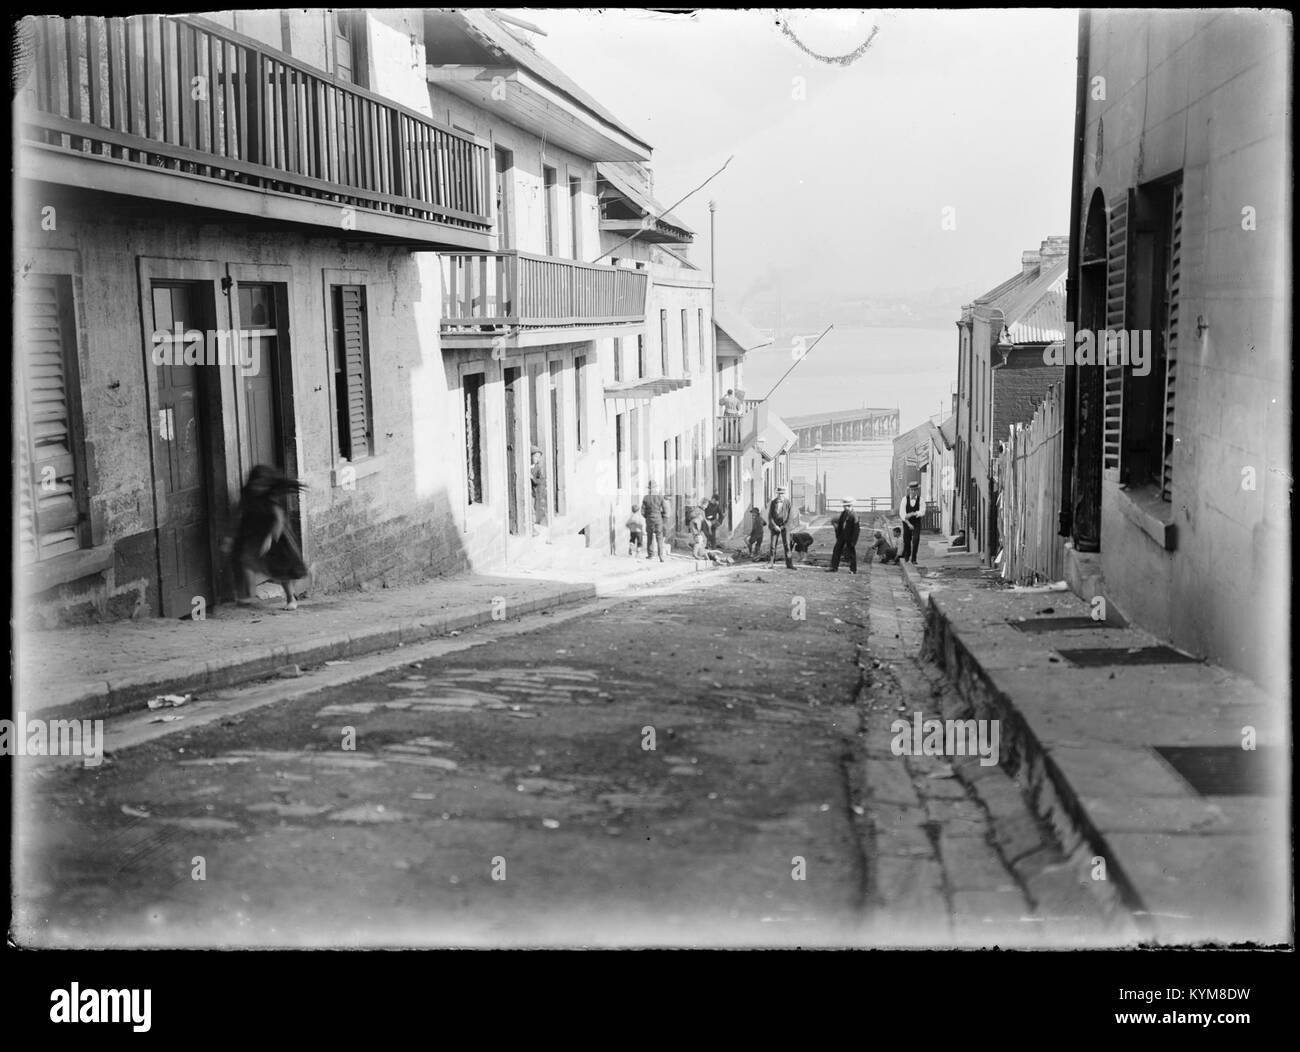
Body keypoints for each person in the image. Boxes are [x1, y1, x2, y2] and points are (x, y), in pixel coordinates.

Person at [230, 464, 309, 611]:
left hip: (276, 534)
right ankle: (248, 597)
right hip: (254, 530)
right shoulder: (247, 493)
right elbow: (241, 511)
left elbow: (279, 520)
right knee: (246, 561)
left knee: (282, 569)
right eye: (255, 484)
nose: (257, 488)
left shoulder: (271, 498)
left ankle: (291, 598)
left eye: (261, 485)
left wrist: (269, 540)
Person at [828, 497, 861, 573]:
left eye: (847, 506)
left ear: (851, 506)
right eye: (845, 506)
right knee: (836, 550)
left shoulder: (854, 515)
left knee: (851, 553)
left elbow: (856, 530)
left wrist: (854, 541)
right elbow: (840, 525)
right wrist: (838, 535)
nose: (846, 507)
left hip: (850, 537)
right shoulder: (843, 513)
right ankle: (834, 567)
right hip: (842, 535)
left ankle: (853, 570)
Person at [641, 480, 670, 562]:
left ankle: (650, 555)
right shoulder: (660, 497)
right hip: (658, 519)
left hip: (649, 519)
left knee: (650, 537)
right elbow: (666, 510)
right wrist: (663, 518)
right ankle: (661, 556)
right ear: (655, 488)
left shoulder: (646, 497)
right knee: (659, 538)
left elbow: (642, 511)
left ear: (649, 488)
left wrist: (647, 517)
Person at [767, 485, 794, 569]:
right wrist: (774, 526)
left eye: (782, 494)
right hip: (775, 527)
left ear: (784, 494)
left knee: (787, 545)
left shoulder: (788, 502)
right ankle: (771, 563)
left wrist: (783, 526)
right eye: (778, 494)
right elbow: (770, 516)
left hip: (785, 527)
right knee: (772, 545)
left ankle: (789, 564)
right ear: (776, 494)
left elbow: (790, 516)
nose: (780, 495)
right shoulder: (773, 502)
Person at [899, 480, 924, 563]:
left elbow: (922, 512)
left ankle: (914, 558)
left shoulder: (921, 500)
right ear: (909, 490)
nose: (913, 492)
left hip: (916, 522)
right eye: (912, 490)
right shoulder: (904, 500)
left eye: (915, 490)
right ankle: (907, 555)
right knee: (907, 540)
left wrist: (913, 513)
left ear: (917, 490)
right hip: (906, 522)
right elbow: (902, 514)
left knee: (916, 539)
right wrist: (908, 524)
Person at [530, 448, 547, 532]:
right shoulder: (527, 466)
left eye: (538, 457)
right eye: (535, 456)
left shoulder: (537, 468)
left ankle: (532, 527)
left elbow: (541, 480)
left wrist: (533, 479)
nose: (537, 459)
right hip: (526, 492)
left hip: (532, 492)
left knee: (532, 510)